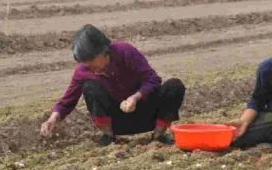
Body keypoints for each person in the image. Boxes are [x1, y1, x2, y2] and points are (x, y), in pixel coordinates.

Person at [40, 25, 185, 146]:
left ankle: (158, 136)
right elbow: (67, 101)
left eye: (92, 61)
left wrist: (135, 98)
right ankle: (109, 137)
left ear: (104, 52)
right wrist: (52, 120)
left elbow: (152, 80)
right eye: (85, 63)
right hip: (117, 120)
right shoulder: (83, 70)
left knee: (174, 86)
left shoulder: (125, 52)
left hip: (147, 113)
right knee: (90, 87)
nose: (90, 67)